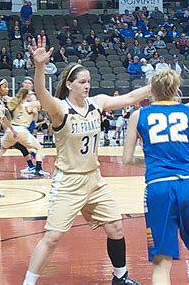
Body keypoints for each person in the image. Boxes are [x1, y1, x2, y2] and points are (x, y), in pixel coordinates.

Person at [22, 36, 148, 285]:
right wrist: (39, 67)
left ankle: (120, 277)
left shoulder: (96, 103)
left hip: (94, 179)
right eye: (82, 82)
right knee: (53, 237)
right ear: (70, 85)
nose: (87, 85)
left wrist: (159, 85)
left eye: (89, 81)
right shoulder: (60, 109)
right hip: (68, 181)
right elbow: (42, 93)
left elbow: (131, 98)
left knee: (116, 228)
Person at [122, 69, 189, 285]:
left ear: (151, 90)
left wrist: (151, 160)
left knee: (162, 262)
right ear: (176, 89)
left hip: (159, 186)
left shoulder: (138, 115)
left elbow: (127, 159)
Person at [0, 88, 48, 176]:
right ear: (27, 96)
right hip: (22, 130)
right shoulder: (30, 104)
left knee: (2, 150)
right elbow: (43, 101)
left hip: (11, 129)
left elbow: (6, 97)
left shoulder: (15, 103)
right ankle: (38, 170)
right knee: (39, 148)